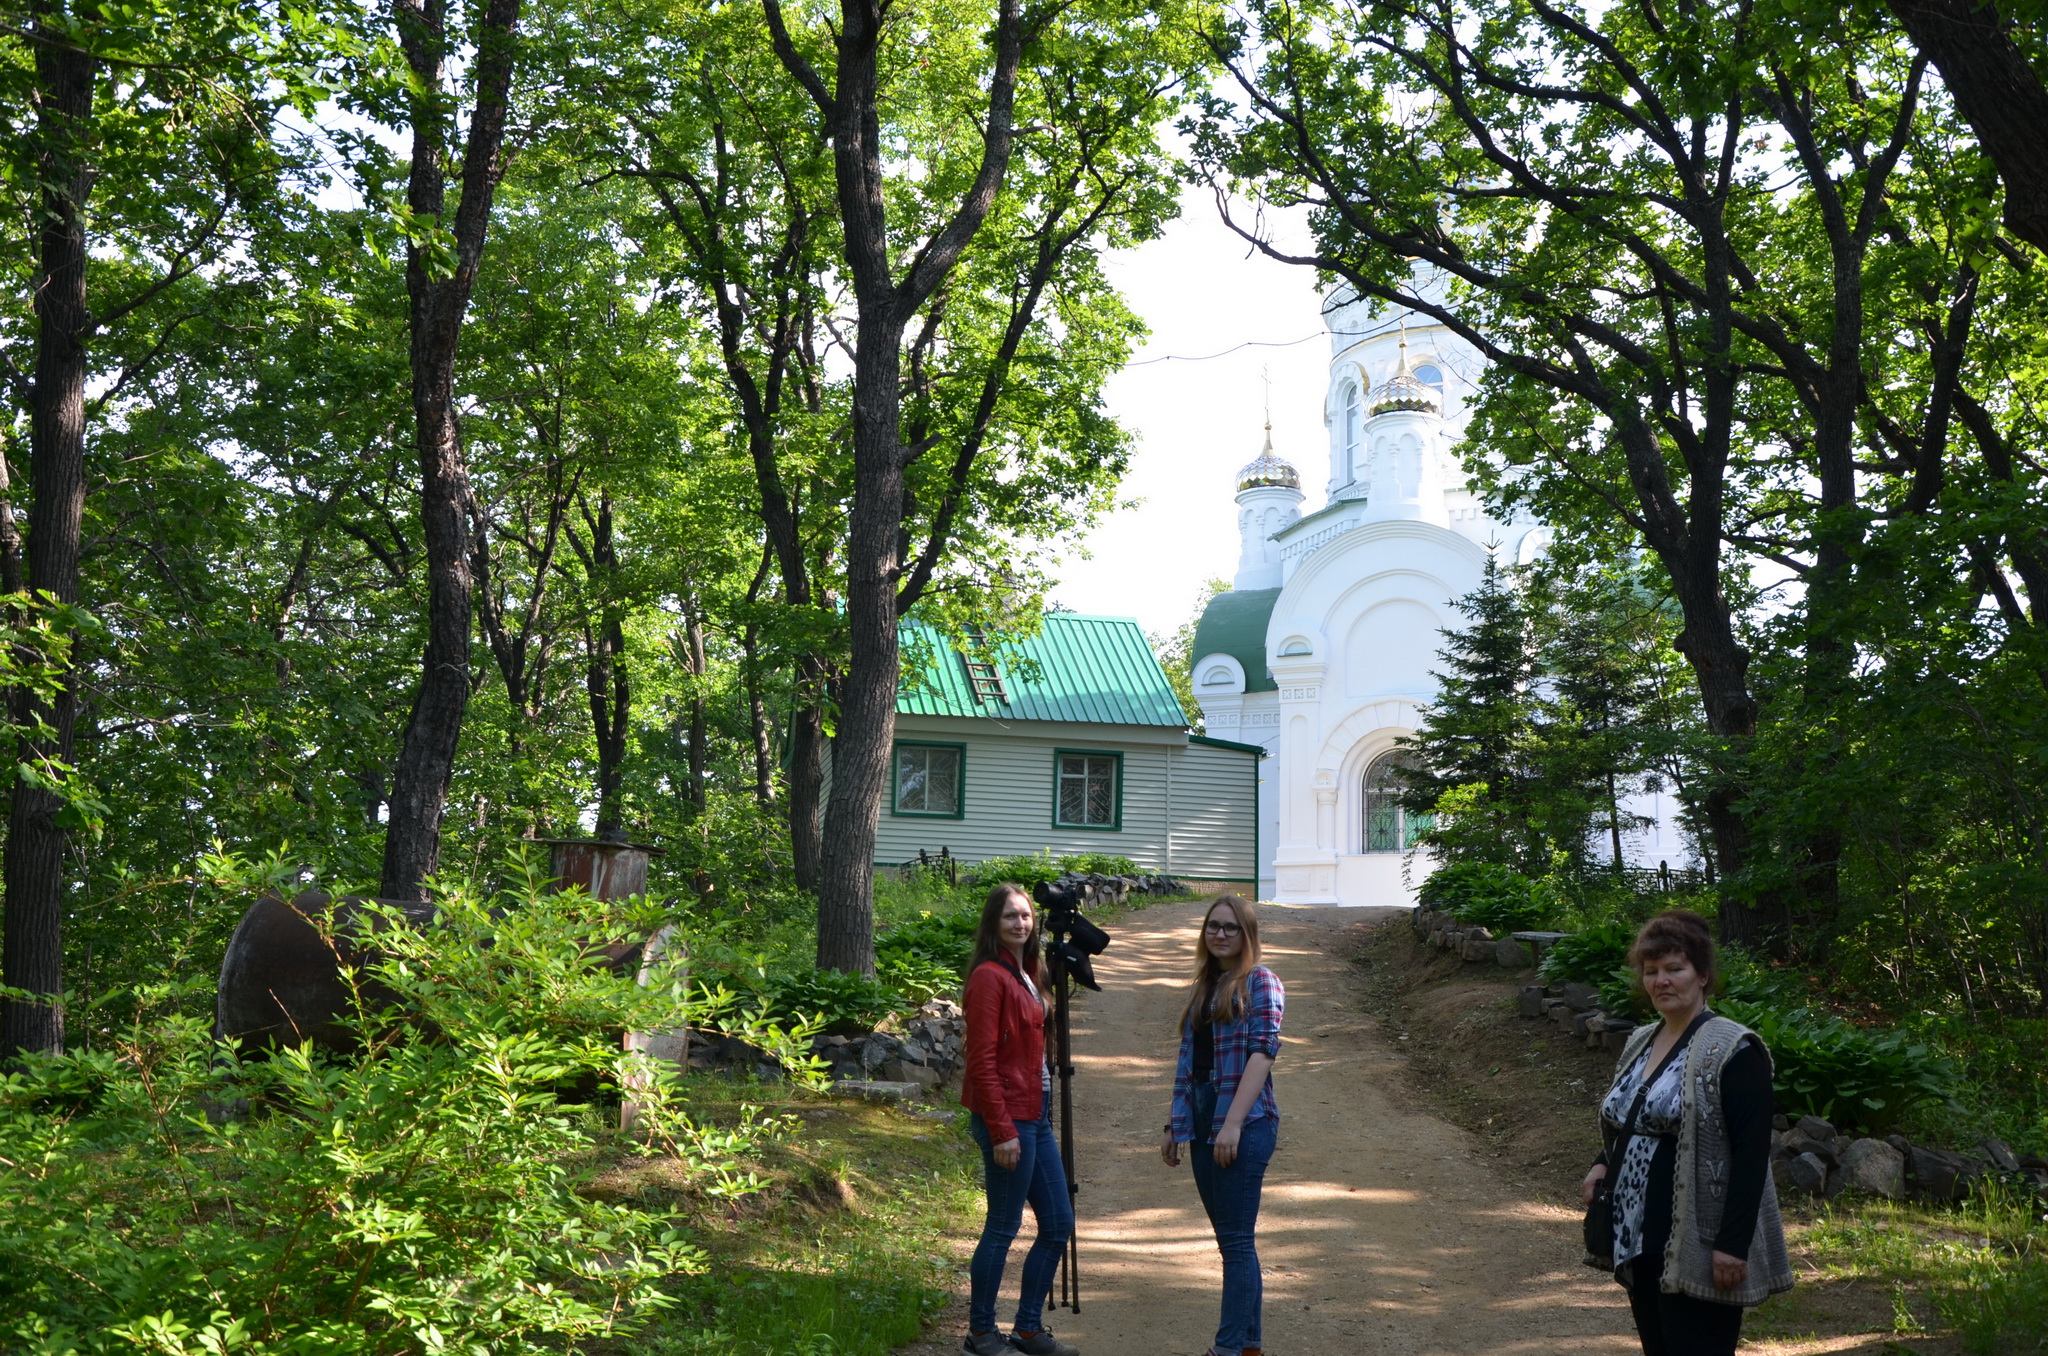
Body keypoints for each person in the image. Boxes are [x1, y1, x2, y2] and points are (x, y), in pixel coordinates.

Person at [1580, 909, 1794, 1356]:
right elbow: (1627, 1117)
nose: (1661, 981)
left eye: (1674, 969)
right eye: (1651, 971)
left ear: (1702, 976)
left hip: (1698, 1237)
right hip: (1636, 1232)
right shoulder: (1642, 1039)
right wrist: (1602, 1164)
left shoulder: (1734, 1050)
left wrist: (1732, 1245)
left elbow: (1752, 1155)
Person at [1158, 894, 1284, 1356]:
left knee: (1235, 1241)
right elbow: (1190, 1062)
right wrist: (1176, 1124)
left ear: (1247, 934)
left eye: (1231, 927)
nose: (1221, 934)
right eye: (1214, 926)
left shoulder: (1261, 982)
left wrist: (1231, 1124)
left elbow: (1262, 1054)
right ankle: (1248, 1346)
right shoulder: (1205, 985)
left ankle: (1227, 1349)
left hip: (1243, 1120)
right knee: (1233, 1240)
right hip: (1200, 1114)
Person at [960, 883, 1077, 1356]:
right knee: (1003, 1226)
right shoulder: (990, 977)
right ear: (993, 923)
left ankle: (1027, 1328)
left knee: (1056, 1223)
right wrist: (1002, 1129)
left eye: (1026, 916)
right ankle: (980, 1334)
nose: (1020, 923)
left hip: (1036, 1117)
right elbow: (981, 1061)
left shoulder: (1028, 973)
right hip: (1008, 1120)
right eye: (1010, 916)